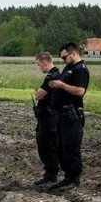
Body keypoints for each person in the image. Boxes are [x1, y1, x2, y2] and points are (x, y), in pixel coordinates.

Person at [47, 42, 90, 192]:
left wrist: (61, 85)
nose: (63, 60)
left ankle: (73, 178)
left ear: (73, 53)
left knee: (71, 147)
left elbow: (79, 91)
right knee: (61, 147)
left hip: (72, 116)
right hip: (61, 115)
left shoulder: (80, 70)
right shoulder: (69, 68)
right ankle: (67, 177)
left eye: (65, 57)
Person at [33, 52, 60, 187]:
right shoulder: (53, 75)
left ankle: (51, 174)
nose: (39, 68)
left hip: (48, 117)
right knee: (44, 145)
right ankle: (49, 173)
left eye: (39, 65)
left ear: (45, 62)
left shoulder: (52, 76)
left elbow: (38, 95)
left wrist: (39, 92)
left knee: (47, 145)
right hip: (46, 116)